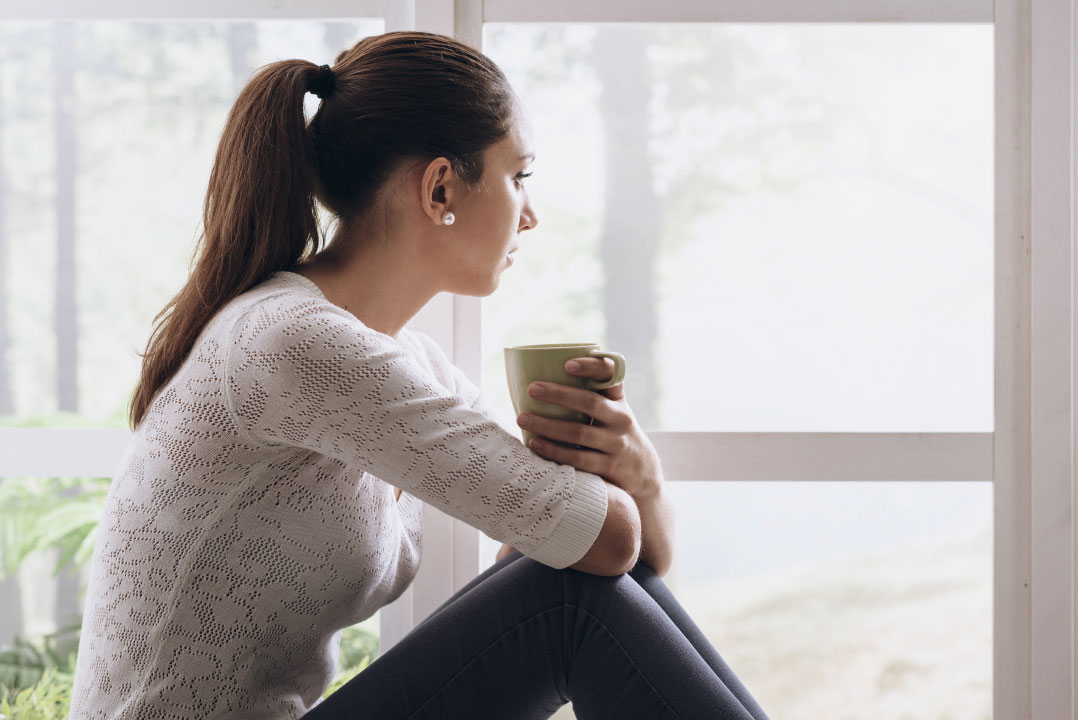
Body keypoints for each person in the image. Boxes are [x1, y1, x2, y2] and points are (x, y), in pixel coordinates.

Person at [67, 30, 769, 720]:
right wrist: (603, 502)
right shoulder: (293, 341)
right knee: (568, 603)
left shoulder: (399, 361)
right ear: (440, 188)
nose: (531, 214)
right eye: (518, 176)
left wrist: (637, 475)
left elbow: (604, 554)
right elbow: (602, 546)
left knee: (572, 586)